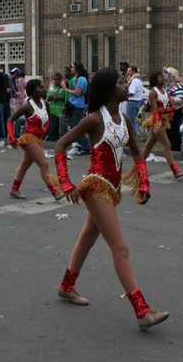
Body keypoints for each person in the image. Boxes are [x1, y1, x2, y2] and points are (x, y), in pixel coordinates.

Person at [54, 67, 169, 330]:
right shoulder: (94, 119)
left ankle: (66, 286)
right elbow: (60, 145)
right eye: (120, 81)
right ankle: (142, 312)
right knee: (121, 248)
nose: (126, 83)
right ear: (108, 89)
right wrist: (66, 181)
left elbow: (137, 153)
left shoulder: (125, 119)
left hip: (112, 189)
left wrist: (144, 183)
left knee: (87, 239)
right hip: (96, 187)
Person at [6, 79, 65, 201]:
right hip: (28, 139)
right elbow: (10, 119)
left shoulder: (45, 104)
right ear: (33, 91)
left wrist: (44, 130)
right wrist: (11, 137)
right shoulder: (28, 106)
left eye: (43, 87)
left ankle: (14, 189)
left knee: (24, 165)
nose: (44, 89)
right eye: (40, 87)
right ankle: (55, 192)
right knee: (44, 164)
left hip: (38, 139)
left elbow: (48, 119)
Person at [140, 70, 183, 179]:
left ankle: (139, 168)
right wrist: (157, 124)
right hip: (155, 121)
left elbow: (173, 107)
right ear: (155, 79)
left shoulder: (166, 92)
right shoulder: (153, 92)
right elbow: (155, 110)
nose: (164, 78)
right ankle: (175, 171)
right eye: (161, 77)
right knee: (167, 144)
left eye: (164, 76)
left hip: (163, 120)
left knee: (149, 145)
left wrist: (165, 111)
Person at [62, 62, 90, 155]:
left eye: (73, 67)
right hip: (73, 104)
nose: (71, 69)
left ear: (77, 69)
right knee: (73, 127)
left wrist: (66, 89)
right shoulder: (76, 79)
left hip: (77, 106)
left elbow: (78, 93)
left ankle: (85, 147)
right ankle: (78, 145)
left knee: (78, 128)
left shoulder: (81, 79)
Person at [165, 67, 183, 152]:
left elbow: (181, 98)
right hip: (169, 110)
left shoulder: (178, 86)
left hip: (176, 110)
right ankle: (170, 146)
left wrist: (170, 99)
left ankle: (176, 148)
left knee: (174, 129)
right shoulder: (169, 86)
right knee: (168, 130)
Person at [124, 65, 144, 140]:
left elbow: (131, 93)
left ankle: (132, 138)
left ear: (133, 71)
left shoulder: (135, 80)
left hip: (132, 102)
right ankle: (133, 137)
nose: (128, 73)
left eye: (129, 71)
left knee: (131, 121)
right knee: (133, 120)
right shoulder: (138, 80)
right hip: (135, 102)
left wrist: (123, 94)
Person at [46, 72, 66, 141]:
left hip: (60, 111)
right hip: (53, 111)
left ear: (61, 80)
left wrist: (59, 98)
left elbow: (66, 99)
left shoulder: (63, 88)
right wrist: (50, 97)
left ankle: (60, 139)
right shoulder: (50, 88)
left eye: (58, 79)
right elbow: (47, 99)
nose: (56, 81)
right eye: (55, 79)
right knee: (53, 126)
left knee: (60, 127)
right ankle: (53, 139)